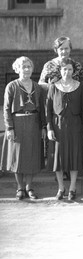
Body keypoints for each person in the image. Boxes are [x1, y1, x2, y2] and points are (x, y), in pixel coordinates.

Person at [1, 57, 46, 200]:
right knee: (18, 156)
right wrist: (9, 128)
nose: (26, 69)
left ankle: (29, 187)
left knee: (31, 155)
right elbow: (6, 109)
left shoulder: (37, 87)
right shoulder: (12, 86)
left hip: (34, 123)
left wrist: (44, 126)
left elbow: (42, 110)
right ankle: (20, 187)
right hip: (17, 123)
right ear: (17, 69)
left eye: (29, 66)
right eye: (23, 67)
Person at [46, 58, 83, 201]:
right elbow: (48, 110)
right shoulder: (54, 86)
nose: (67, 72)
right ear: (60, 71)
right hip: (58, 126)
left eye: (70, 69)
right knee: (59, 157)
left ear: (73, 71)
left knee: (74, 155)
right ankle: (61, 187)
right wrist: (49, 128)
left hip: (75, 125)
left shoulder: (79, 86)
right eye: (64, 69)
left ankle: (72, 187)